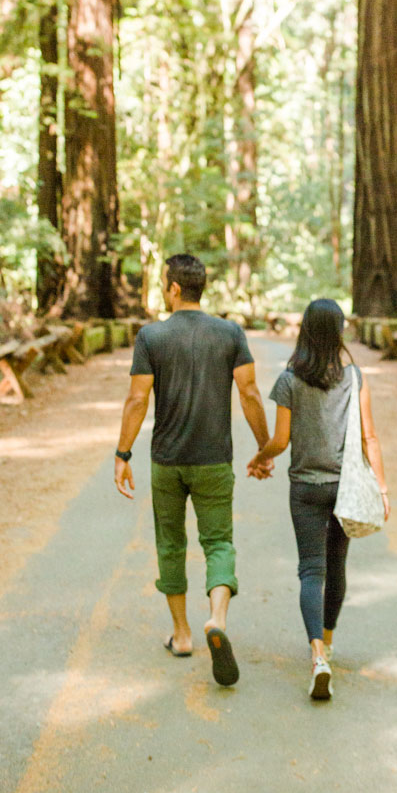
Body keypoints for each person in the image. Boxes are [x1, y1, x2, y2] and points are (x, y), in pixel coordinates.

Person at [114, 253, 272, 686]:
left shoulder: (151, 337)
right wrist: (265, 447)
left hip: (167, 461)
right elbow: (251, 392)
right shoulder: (230, 333)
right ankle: (216, 618)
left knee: (170, 543)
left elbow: (136, 400)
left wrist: (122, 453)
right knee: (219, 541)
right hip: (213, 460)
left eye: (164, 284)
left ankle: (182, 635)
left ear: (175, 289)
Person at [247, 298, 388, 701]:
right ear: (340, 332)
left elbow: (280, 440)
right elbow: (369, 437)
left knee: (311, 571)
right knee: (336, 567)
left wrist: (260, 459)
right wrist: (381, 487)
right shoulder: (355, 377)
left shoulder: (290, 380)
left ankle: (316, 656)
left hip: (305, 489)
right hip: (343, 488)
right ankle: (327, 641)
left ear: (304, 331)